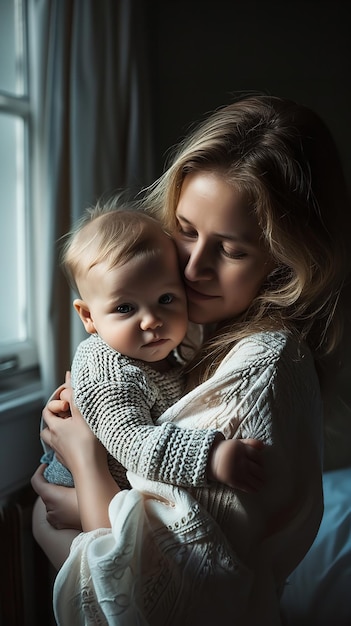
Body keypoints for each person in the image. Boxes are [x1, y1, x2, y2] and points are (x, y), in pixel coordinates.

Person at [32, 94, 350, 626]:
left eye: (230, 249)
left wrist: (84, 457)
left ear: (285, 261)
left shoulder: (262, 363)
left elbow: (152, 599)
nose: (194, 266)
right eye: (185, 229)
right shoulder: (193, 339)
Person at [41, 204, 263, 492]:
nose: (151, 321)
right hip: (79, 494)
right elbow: (131, 441)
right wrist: (211, 458)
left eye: (166, 299)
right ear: (88, 317)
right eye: (125, 308)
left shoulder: (170, 352)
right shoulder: (107, 366)